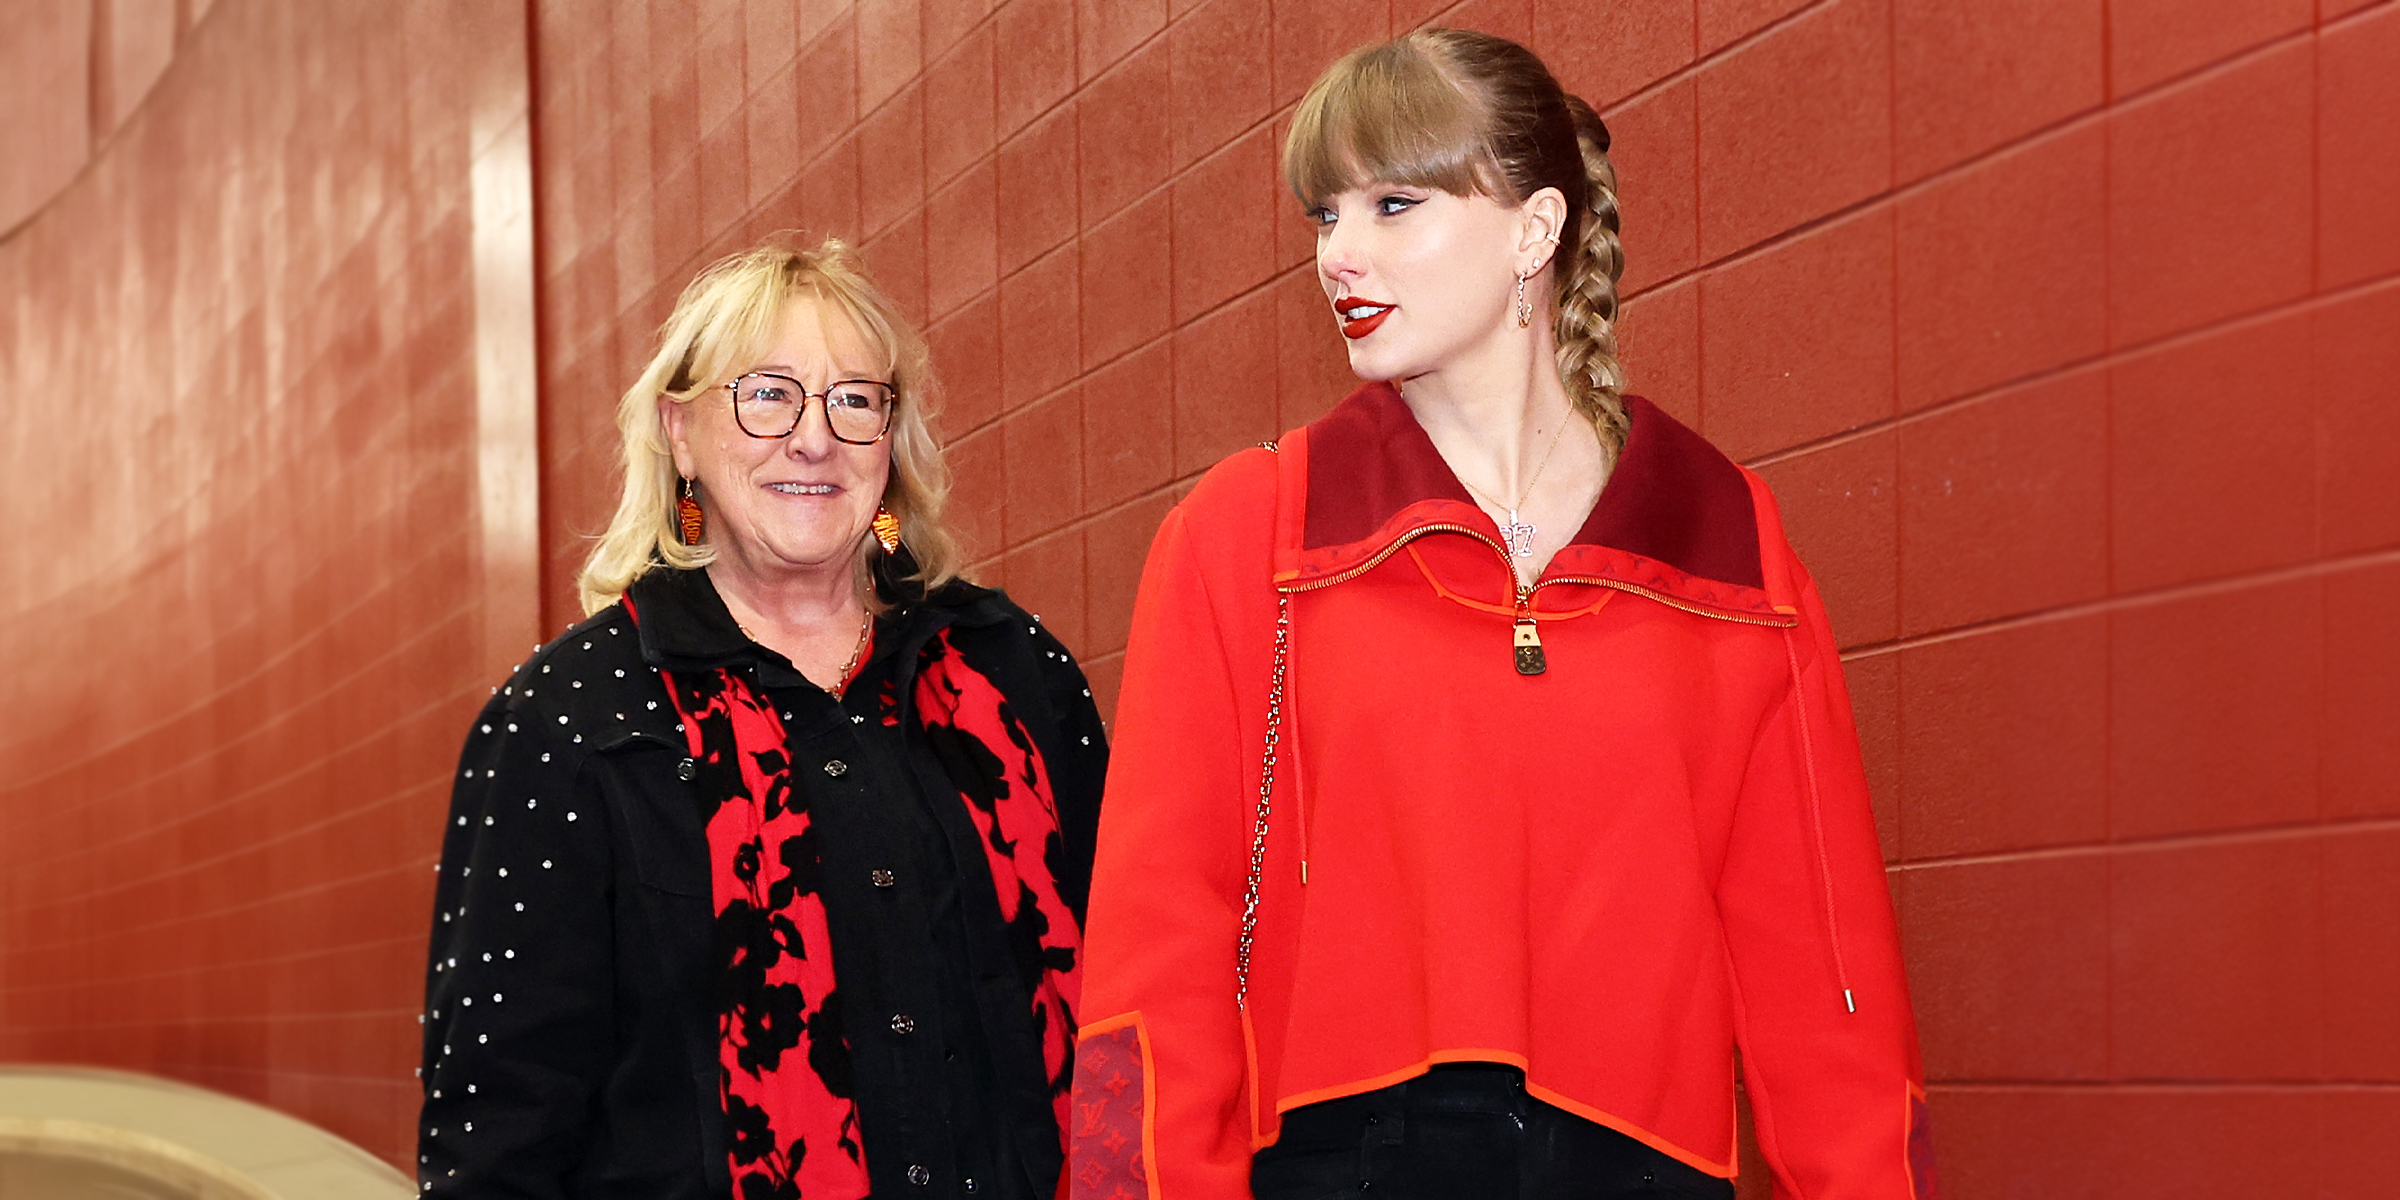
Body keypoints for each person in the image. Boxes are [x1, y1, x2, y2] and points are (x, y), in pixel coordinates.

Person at [1065, 30, 1931, 1200]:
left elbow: (1829, 988)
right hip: (1339, 1167)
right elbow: (1154, 954)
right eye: (1326, 216)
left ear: (1535, 230)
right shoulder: (1250, 534)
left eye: (1393, 204)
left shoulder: (1726, 541)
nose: (1339, 257)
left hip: (1643, 1170)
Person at [417, 239, 1106, 1200]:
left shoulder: (1012, 671)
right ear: (681, 433)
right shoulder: (569, 723)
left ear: (891, 440)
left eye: (854, 399)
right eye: (767, 393)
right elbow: (499, 1133)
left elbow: (1135, 1005)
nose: (815, 439)